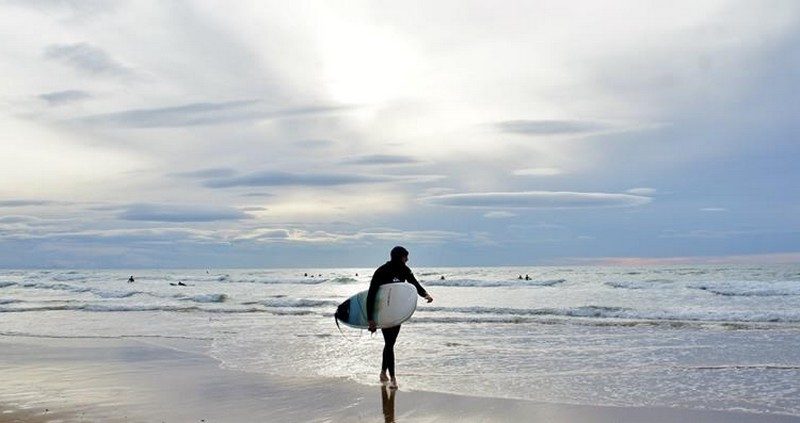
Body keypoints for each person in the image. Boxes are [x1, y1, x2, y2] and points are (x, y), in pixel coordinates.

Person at [367, 246, 433, 389]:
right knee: (389, 343)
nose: (407, 259)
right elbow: (371, 294)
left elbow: (414, 283)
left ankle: (383, 372)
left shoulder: (404, 270)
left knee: (390, 343)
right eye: (405, 257)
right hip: (384, 312)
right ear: (399, 257)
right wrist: (371, 318)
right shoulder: (381, 271)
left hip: (396, 312)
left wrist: (425, 294)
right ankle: (393, 378)